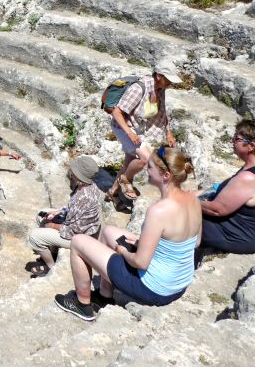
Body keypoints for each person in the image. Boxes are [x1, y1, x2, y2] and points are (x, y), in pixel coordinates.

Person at [55, 146, 201, 321]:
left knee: (78, 241)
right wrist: (146, 243)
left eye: (151, 167)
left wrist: (123, 251)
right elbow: (196, 242)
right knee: (108, 231)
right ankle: (104, 296)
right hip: (178, 282)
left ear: (166, 176)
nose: (146, 169)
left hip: (154, 289)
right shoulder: (194, 199)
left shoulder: (159, 211)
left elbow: (140, 262)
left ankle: (82, 305)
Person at [107, 60, 181, 203]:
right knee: (147, 161)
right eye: (169, 79)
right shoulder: (139, 88)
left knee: (129, 163)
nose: (171, 83)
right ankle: (124, 179)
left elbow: (162, 111)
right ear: (159, 76)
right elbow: (117, 113)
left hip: (137, 128)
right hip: (123, 127)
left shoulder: (160, 89)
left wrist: (168, 132)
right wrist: (130, 133)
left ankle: (112, 192)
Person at [28, 156, 102, 276]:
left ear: (79, 175)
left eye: (74, 170)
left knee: (34, 236)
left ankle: (50, 267)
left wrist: (51, 225)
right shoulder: (89, 186)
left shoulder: (82, 197)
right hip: (79, 227)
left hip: (80, 237)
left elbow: (73, 230)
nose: (71, 171)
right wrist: (59, 212)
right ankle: (51, 251)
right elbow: (74, 210)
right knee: (42, 213)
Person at [197, 120, 255, 254]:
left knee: (180, 213)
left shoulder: (248, 177)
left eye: (237, 139)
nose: (232, 141)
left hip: (239, 236)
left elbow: (217, 210)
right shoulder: (249, 169)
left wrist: (190, 201)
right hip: (240, 229)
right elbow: (222, 189)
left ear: (251, 146)